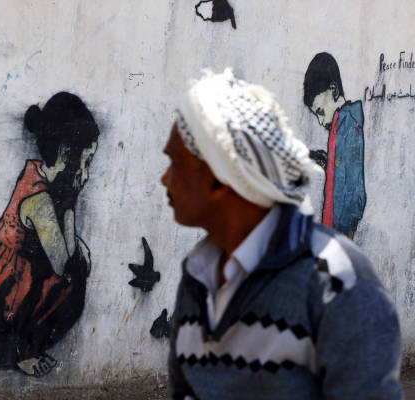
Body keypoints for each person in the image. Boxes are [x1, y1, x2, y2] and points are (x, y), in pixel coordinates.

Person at [162, 69, 402, 399]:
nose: (165, 178)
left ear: (220, 176)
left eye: (176, 163)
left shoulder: (340, 285)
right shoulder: (197, 277)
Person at [0, 92, 99, 377]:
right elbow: (63, 263)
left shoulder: (43, 176)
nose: (86, 173)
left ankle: (22, 344)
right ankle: (17, 350)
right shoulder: (40, 201)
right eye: (85, 162)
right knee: (73, 277)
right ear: (65, 154)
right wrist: (72, 203)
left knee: (75, 269)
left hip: (18, 279)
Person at [304, 52, 366, 239]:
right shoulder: (339, 125)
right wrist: (327, 164)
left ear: (334, 90)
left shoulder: (348, 125)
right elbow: (342, 174)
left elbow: (355, 188)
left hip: (339, 232)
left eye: (321, 112)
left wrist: (346, 233)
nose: (321, 121)